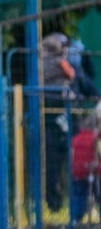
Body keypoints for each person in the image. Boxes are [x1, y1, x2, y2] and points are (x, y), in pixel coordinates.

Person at [41, 33, 76, 213]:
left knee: (52, 164)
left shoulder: (40, 62)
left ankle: (55, 202)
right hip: (57, 114)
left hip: (50, 117)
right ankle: (62, 202)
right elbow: (72, 74)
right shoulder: (58, 62)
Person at [69, 113, 100, 228]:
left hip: (78, 172)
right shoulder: (94, 138)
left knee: (79, 195)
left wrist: (74, 169)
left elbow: (72, 156)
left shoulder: (75, 139)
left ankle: (75, 219)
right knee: (97, 194)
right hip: (93, 171)